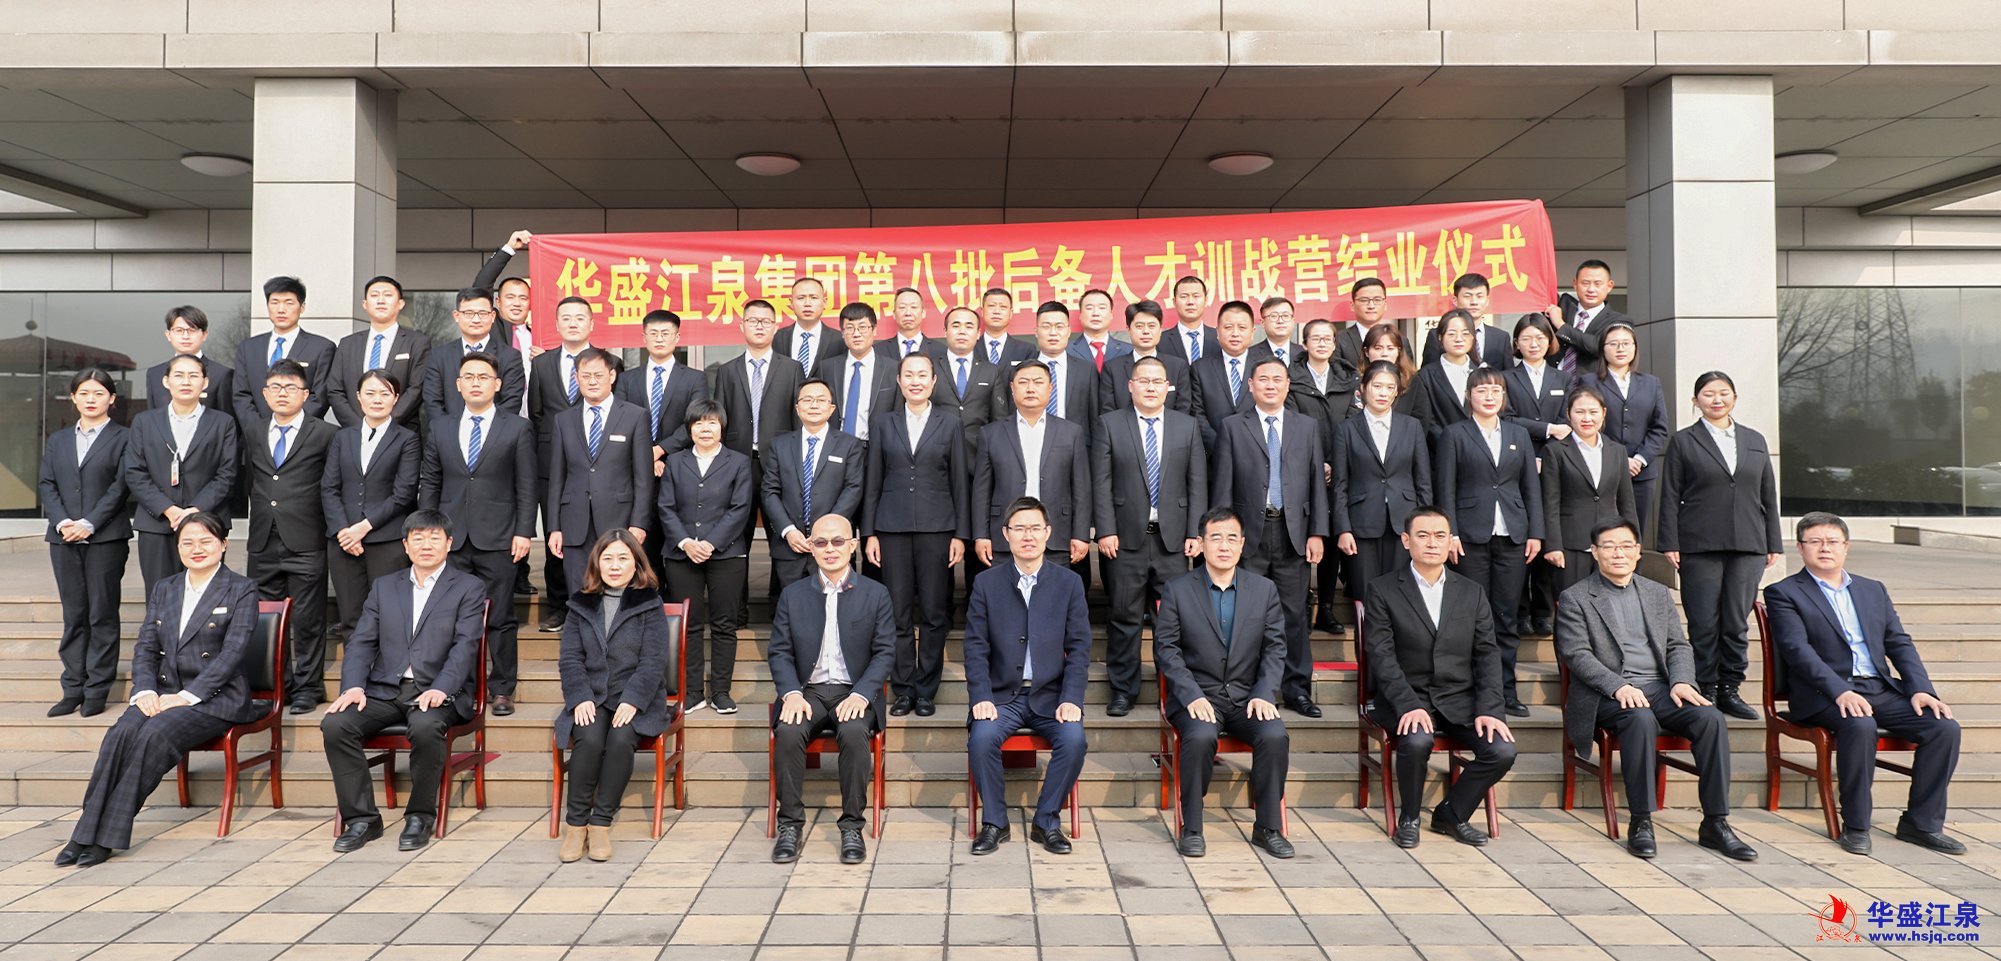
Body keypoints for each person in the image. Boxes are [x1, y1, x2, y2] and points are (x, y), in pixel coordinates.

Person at [56, 512, 258, 867]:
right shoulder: (166, 588)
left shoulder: (241, 589)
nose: (197, 549)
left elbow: (232, 654)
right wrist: (145, 691)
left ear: (224, 544)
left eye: (206, 541)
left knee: (154, 733)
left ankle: (106, 837)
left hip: (214, 698)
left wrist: (185, 697)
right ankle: (83, 833)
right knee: (120, 733)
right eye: (188, 543)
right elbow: (146, 647)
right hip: (163, 693)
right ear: (177, 548)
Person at [1764, 512, 1965, 856]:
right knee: (1859, 724)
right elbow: (1798, 651)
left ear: (1846, 547)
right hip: (1824, 694)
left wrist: (1921, 689)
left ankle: (1921, 823)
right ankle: (1856, 825)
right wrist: (1840, 691)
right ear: (1800, 548)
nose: (1824, 548)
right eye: (1815, 541)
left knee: (1943, 728)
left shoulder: (1872, 590)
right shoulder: (1784, 592)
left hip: (1879, 689)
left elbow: (1898, 642)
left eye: (1832, 541)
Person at [1556, 518, 1755, 862]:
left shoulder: (1657, 593)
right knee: (1640, 719)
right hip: (1607, 693)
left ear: (1638, 552)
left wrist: (1681, 681)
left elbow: (1678, 645)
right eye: (1608, 546)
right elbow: (1577, 655)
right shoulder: (1576, 597)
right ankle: (1641, 820)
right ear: (1594, 552)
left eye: (1625, 546)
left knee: (1710, 718)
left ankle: (1715, 822)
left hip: (1661, 688)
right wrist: (1618, 686)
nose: (1618, 553)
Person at [322, 510, 489, 853]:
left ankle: (420, 816)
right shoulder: (385, 586)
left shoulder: (468, 587)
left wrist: (442, 687)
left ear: (449, 543)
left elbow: (465, 646)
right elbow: (362, 642)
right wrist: (353, 686)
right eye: (418, 538)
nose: (426, 545)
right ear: (405, 545)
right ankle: (363, 819)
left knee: (426, 726)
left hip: (439, 690)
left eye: (434, 538)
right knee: (336, 725)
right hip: (385, 690)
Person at [1363, 506, 1517, 848]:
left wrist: (1490, 709)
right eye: (1423, 535)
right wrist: (1408, 704)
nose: (1432, 543)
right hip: (1406, 696)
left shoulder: (1472, 592)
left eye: (1439, 536)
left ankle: (1452, 813)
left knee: (1502, 749)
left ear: (1451, 542)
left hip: (1460, 699)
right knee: (1417, 739)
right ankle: (1410, 817)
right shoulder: (1383, 590)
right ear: (1406, 541)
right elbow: (1382, 656)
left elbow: (1487, 654)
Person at [1152, 507, 1292, 859]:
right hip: (1198, 696)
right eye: (1215, 538)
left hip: (1248, 697)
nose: (1224, 546)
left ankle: (1268, 827)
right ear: (1200, 544)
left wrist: (1265, 692)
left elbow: (1276, 648)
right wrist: (1190, 695)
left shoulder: (1264, 590)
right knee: (1200, 736)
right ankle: (1192, 826)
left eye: (1232, 538)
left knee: (1274, 735)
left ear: (1243, 544)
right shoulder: (1178, 590)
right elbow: (1166, 650)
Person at [964, 497, 1090, 855]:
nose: (1028, 536)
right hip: (1002, 696)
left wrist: (1071, 698)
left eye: (1035, 528)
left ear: (1048, 533)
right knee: (982, 738)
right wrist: (981, 697)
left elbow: (1080, 648)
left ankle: (1047, 821)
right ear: (1006, 534)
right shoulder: (986, 583)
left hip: (1051, 696)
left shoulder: (1069, 583)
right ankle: (995, 823)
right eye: (1019, 528)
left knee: (1074, 740)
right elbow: (975, 647)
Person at [768, 513, 896, 865]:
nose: (830, 549)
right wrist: (791, 693)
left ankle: (852, 826)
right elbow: (779, 651)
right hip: (807, 691)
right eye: (821, 542)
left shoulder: (876, 594)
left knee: (854, 732)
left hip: (854, 691)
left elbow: (885, 652)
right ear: (810, 548)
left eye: (838, 541)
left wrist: (862, 693)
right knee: (788, 730)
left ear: (853, 545)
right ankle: (790, 825)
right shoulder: (793, 595)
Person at [419, 351, 537, 717]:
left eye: (483, 377)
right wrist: (429, 531)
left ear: (497, 384)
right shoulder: (441, 427)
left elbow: (527, 485)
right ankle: (461, 687)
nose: (475, 383)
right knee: (453, 617)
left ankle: (501, 689)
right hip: (451, 538)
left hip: (499, 537)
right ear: (458, 385)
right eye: (468, 377)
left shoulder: (516, 427)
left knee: (500, 617)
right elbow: (431, 482)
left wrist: (524, 532)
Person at [1658, 371, 1782, 720]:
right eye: (1708, 394)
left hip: (1748, 543)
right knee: (1703, 620)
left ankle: (1730, 688)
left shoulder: (1754, 439)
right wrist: (1669, 541)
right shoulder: (1684, 441)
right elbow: (1669, 495)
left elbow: (1767, 494)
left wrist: (1773, 540)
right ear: (1695, 401)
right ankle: (1705, 686)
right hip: (1699, 543)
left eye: (1724, 393)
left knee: (1735, 621)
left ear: (1735, 398)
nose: (1717, 399)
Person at [1211, 357, 1326, 717]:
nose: (1271, 385)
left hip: (1293, 533)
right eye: (1263, 379)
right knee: (1246, 616)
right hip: (1248, 536)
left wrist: (1317, 532)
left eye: (1278, 379)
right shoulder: (1232, 426)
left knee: (1294, 614)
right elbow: (1223, 485)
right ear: (1251, 385)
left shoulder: (1306, 426)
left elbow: (1316, 484)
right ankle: (1245, 689)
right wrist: (1224, 537)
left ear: (1288, 385)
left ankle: (1297, 690)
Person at [1094, 356, 1205, 717]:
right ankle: (1123, 691)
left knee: (1171, 621)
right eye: (1144, 381)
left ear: (1168, 387)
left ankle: (1172, 690)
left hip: (1173, 541)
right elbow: (1101, 482)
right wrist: (1105, 529)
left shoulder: (1186, 426)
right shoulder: (1110, 424)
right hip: (1125, 539)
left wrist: (1196, 532)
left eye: (1158, 381)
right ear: (1131, 386)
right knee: (1123, 617)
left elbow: (1197, 482)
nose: (1151, 387)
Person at [554, 529, 670, 862]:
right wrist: (580, 696)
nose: (615, 566)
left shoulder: (650, 603)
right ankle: (576, 825)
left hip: (634, 696)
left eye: (622, 558)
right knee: (589, 739)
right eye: (607, 559)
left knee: (620, 740)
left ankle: (601, 823)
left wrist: (633, 699)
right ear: (597, 563)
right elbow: (570, 658)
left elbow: (653, 660)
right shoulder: (580, 603)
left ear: (636, 563)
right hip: (591, 695)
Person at [863, 353, 968, 718]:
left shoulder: (950, 423)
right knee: (897, 613)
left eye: (923, 375)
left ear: (934, 381)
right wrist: (869, 533)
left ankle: (926, 690)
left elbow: (959, 481)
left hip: (938, 529)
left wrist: (961, 535)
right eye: (909, 375)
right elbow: (873, 480)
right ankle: (904, 689)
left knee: (935, 612)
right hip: (891, 528)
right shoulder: (883, 423)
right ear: (899, 381)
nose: (916, 381)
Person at [1435, 368, 1543, 717]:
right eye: (1482, 390)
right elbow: (1445, 488)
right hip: (1469, 537)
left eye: (1496, 390)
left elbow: (1530, 488)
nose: (1489, 396)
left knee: (1506, 617)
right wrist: (1450, 533)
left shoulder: (1518, 435)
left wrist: (1536, 533)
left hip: (1513, 535)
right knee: (1470, 616)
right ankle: (1472, 691)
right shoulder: (1454, 434)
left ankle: (1505, 691)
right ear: (1469, 396)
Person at [246, 360, 338, 714]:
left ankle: (308, 688)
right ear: (265, 393)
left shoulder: (325, 433)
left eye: (290, 388)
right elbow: (250, 480)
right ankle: (276, 685)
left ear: (306, 394)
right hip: (262, 540)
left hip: (306, 539)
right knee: (264, 617)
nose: (282, 394)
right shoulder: (253, 430)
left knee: (308, 619)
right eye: (275, 387)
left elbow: (331, 485)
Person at [40, 368, 132, 718]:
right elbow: (47, 483)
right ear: (73, 397)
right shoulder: (59, 439)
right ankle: (72, 687)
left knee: (102, 613)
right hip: (63, 538)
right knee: (74, 613)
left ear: (111, 398)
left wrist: (89, 523)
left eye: (98, 393)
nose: (91, 399)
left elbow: (121, 486)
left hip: (106, 537)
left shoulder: (124, 437)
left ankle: (97, 689)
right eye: (84, 393)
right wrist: (63, 522)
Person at [658, 401, 754, 714]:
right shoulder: (676, 462)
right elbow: (666, 507)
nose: (705, 429)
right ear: (689, 429)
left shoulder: (738, 462)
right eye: (698, 423)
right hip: (681, 553)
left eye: (712, 423)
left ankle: (722, 692)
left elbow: (740, 508)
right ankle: (694, 691)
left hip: (727, 554)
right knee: (690, 624)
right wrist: (686, 542)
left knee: (724, 624)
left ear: (721, 427)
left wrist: (711, 543)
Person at [321, 370, 419, 669]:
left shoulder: (407, 439)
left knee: (390, 614)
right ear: (358, 397)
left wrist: (363, 527)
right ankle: (355, 678)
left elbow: (404, 493)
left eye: (385, 393)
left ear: (396, 399)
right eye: (371, 393)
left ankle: (387, 679)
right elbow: (329, 487)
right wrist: (343, 530)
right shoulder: (342, 436)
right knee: (351, 616)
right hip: (343, 542)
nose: (377, 399)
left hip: (386, 540)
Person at [126, 353, 238, 594]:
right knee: (160, 595)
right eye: (179, 375)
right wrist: (169, 509)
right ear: (166, 381)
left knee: (207, 595)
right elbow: (135, 471)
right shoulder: (144, 422)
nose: (186, 381)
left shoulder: (223, 422)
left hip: (208, 522)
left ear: (205, 382)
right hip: (157, 522)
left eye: (193, 376)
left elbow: (227, 473)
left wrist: (195, 510)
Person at [546, 348, 655, 596]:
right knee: (579, 594)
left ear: (612, 376)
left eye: (598, 375)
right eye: (585, 376)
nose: (592, 381)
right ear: (576, 378)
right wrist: (554, 527)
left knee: (619, 595)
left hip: (619, 521)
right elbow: (557, 478)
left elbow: (643, 478)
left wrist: (639, 523)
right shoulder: (563, 420)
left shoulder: (635, 416)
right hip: (574, 524)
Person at [617, 309, 710, 590]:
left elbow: (693, 422)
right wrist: (645, 456)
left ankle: (676, 601)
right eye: (653, 333)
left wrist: (658, 451)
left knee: (677, 537)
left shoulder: (695, 378)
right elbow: (621, 420)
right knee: (644, 541)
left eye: (666, 333)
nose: (659, 339)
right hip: (636, 471)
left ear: (677, 338)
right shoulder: (627, 379)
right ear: (643, 337)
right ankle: (647, 596)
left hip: (679, 467)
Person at [1333, 361, 1433, 610]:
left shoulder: (1411, 426)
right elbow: (1340, 485)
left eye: (1390, 387)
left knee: (1403, 595)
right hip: (1362, 522)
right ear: (1363, 388)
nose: (1383, 393)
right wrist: (1343, 529)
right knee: (1367, 595)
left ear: (1397, 392)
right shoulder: (1346, 429)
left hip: (1404, 523)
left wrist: (1424, 527)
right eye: (1377, 386)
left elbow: (1423, 481)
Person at [972, 362, 1091, 571]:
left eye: (1038, 382)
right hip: (1004, 536)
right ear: (1012, 388)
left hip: (1057, 535)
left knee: (1053, 590)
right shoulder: (991, 434)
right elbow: (982, 490)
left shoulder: (1071, 433)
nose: (1030, 388)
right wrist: (981, 535)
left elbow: (1081, 488)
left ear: (1050, 388)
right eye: (1023, 382)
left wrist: (1081, 534)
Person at [528, 296, 600, 629]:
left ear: (591, 324)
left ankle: (595, 600)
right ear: (556, 324)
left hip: (595, 465)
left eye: (579, 317)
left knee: (593, 535)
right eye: (566, 318)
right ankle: (560, 606)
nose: (573, 323)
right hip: (551, 466)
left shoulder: (607, 362)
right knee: (555, 535)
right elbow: (537, 413)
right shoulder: (542, 364)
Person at [1503, 313, 1573, 637]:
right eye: (1527, 338)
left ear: (1550, 342)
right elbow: (1506, 418)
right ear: (1516, 342)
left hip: (1552, 466)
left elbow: (1568, 422)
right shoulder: (1506, 378)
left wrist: (1546, 456)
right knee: (1520, 537)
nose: (1534, 344)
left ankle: (1543, 610)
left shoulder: (1564, 379)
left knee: (1546, 535)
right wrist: (1546, 429)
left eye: (1540, 338)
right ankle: (1520, 610)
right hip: (1515, 464)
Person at [1288, 319, 1360, 636]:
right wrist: (1318, 463)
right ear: (1304, 343)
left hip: (1340, 471)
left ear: (1334, 344)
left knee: (1330, 537)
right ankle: (1303, 601)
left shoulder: (1348, 378)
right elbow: (1292, 424)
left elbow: (1354, 422)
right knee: (1302, 535)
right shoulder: (1292, 378)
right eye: (1314, 338)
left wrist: (1334, 463)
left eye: (1327, 338)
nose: (1321, 343)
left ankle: (1327, 607)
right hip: (1300, 470)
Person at [762, 379, 866, 595]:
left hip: (833, 547)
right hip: (791, 547)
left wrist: (826, 531)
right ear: (797, 408)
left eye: (821, 400)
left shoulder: (850, 445)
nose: (814, 405)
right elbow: (769, 491)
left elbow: (853, 488)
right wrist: (788, 531)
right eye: (807, 400)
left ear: (832, 408)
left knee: (836, 608)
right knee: (792, 608)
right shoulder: (780, 445)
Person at [1573, 322, 1669, 543]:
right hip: (1603, 470)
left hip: (1641, 473)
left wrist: (1640, 459)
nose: (1620, 349)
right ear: (1603, 348)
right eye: (1613, 344)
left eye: (1626, 343)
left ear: (1635, 348)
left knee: (1634, 535)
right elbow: (1588, 424)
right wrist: (1618, 458)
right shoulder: (1589, 381)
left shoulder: (1651, 383)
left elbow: (1659, 427)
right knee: (1603, 534)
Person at [1538, 386, 1638, 595]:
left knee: (1612, 602)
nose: (1587, 418)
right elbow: (1550, 502)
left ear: (1603, 413)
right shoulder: (1555, 451)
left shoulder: (1617, 451)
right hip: (1571, 544)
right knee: (1573, 604)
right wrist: (1553, 545)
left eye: (1593, 412)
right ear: (1569, 414)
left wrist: (1634, 543)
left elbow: (1626, 502)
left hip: (1611, 544)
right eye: (1579, 412)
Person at [709, 299, 805, 482]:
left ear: (775, 327)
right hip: (736, 457)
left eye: (766, 321)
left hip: (781, 458)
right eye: (753, 321)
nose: (759, 326)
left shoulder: (792, 369)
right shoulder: (727, 371)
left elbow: (798, 417)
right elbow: (720, 419)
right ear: (742, 326)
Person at [232, 277, 336, 435]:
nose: (281, 309)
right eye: (274, 302)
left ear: (302, 307)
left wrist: (290, 426)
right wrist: (258, 429)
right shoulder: (248, 348)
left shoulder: (321, 348)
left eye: (289, 303)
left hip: (303, 436)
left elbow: (319, 397)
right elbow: (241, 395)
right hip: (255, 437)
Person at [328, 275, 430, 429]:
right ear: (365, 304)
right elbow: (335, 390)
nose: (381, 300)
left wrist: (384, 426)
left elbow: (416, 388)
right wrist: (360, 427)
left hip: (400, 431)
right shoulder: (348, 344)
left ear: (400, 303)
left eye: (388, 295)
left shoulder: (417, 342)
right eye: (374, 295)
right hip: (354, 432)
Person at [994, 302, 1099, 448]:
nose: (1053, 333)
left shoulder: (1086, 370)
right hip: (1028, 445)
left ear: (1068, 332)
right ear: (1036, 331)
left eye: (1059, 327)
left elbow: (1094, 417)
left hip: (1073, 447)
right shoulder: (1020, 370)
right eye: (1046, 326)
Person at [422, 286, 528, 425]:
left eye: (483, 313)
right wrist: (450, 432)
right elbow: (432, 402)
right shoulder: (439, 356)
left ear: (492, 316)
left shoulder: (510, 356)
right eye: (469, 313)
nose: (476, 319)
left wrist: (483, 430)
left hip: (496, 434)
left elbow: (512, 402)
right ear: (456, 316)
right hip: (448, 434)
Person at [1099, 299, 1197, 417]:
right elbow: (1108, 413)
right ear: (1128, 330)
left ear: (1160, 330)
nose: (1146, 331)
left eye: (1151, 326)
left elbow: (1183, 410)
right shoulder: (1112, 368)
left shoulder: (1178, 367)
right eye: (1139, 326)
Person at [1188, 300, 1260, 449]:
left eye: (1242, 328)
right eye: (1228, 327)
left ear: (1252, 332)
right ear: (1218, 331)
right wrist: (1221, 445)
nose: (1235, 333)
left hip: (1257, 451)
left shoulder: (1264, 367)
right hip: (1214, 451)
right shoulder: (1201, 368)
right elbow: (1197, 413)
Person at [820, 302, 896, 441]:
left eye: (862, 327)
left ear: (874, 330)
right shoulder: (827, 368)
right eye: (849, 328)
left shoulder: (892, 368)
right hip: (835, 445)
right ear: (842, 333)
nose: (856, 334)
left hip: (876, 446)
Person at [934, 305, 1001, 460]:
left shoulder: (991, 371)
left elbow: (999, 421)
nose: (962, 331)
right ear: (945, 331)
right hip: (937, 456)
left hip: (979, 455)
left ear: (978, 334)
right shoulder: (931, 367)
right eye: (956, 325)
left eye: (969, 326)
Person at [145, 307, 234, 411]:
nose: (185, 336)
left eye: (192, 330)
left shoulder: (221, 374)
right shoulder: (154, 374)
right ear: (168, 335)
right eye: (179, 330)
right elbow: (151, 417)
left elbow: (226, 417)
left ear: (204, 335)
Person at [1547, 260, 1629, 374]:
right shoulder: (1562, 307)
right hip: (1553, 380)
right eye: (1585, 283)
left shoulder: (1619, 321)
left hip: (1591, 384)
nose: (1591, 289)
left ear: (1609, 286)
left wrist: (1561, 325)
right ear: (1575, 284)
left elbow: (1597, 346)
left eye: (1597, 284)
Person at [1411, 309, 1480, 440]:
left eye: (1465, 334)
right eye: (1451, 334)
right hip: (1441, 446)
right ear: (1440, 337)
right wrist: (1449, 443)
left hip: (1478, 448)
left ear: (1472, 337)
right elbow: (1427, 419)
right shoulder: (1426, 376)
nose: (1459, 339)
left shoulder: (1482, 373)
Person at [1420, 273, 1512, 368]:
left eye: (1479, 296)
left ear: (1487, 300)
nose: (1474, 302)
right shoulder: (1437, 335)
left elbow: (1508, 374)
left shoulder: (1501, 338)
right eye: (1467, 296)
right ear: (1455, 300)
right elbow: (1428, 372)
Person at [773, 276, 845, 374]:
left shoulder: (840, 340)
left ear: (824, 302)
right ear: (791, 303)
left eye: (814, 298)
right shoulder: (776, 338)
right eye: (801, 298)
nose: (807, 304)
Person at [1359, 323, 1420, 416]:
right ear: (1367, 352)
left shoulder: (1412, 380)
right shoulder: (1354, 380)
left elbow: (1421, 416)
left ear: (1398, 351)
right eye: (1378, 348)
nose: (1384, 354)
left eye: (1390, 348)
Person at [1068, 288, 1131, 374]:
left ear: (1111, 315)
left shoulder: (1128, 351)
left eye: (1102, 308)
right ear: (1080, 315)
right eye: (1089, 308)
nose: (1096, 313)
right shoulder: (1066, 350)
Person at [1157, 275, 1219, 364]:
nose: (1190, 302)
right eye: (1184, 296)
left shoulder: (1219, 337)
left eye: (1196, 296)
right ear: (1174, 302)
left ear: (1206, 301)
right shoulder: (1160, 340)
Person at [876, 286, 946, 362]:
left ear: (923, 313)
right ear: (894, 314)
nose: (908, 313)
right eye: (902, 307)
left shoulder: (941, 351)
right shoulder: (878, 351)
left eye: (914, 307)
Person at [1335, 278, 1390, 370]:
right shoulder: (1339, 340)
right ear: (1352, 305)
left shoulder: (1400, 340)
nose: (1371, 306)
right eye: (1364, 300)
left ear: (1385, 305)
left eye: (1377, 300)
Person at [977, 287, 1035, 368]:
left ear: (1010, 313)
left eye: (1003, 307)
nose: (996, 311)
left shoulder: (1026, 350)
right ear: (982, 311)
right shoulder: (969, 348)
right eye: (991, 306)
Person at [1253, 296, 1298, 368]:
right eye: (1273, 316)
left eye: (1285, 315)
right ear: (1262, 323)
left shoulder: (1305, 354)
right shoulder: (1249, 355)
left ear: (1293, 321)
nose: (1280, 321)